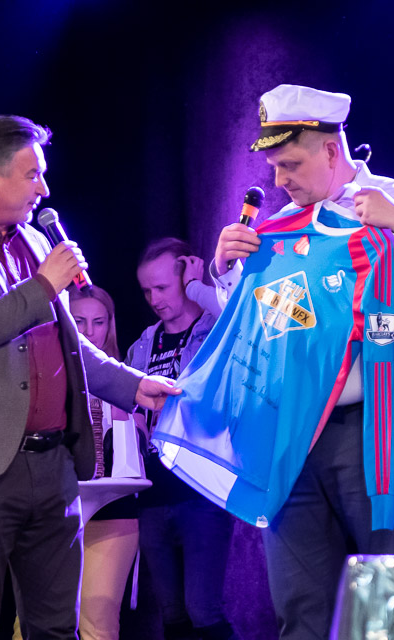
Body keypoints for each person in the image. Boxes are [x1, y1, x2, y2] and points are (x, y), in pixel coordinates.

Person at [211, 84, 394, 639]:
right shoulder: (282, 228)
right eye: (273, 166)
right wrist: (226, 273)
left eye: (290, 164)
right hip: (295, 431)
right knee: (302, 605)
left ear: (332, 150)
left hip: (387, 425)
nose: (279, 180)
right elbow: (266, 326)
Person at [0, 114, 178, 640]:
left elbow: (70, 346)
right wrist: (45, 284)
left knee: (55, 626)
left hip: (53, 465)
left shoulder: (32, 239)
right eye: (32, 175)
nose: (44, 189)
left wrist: (133, 386)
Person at [125, 238, 236, 640]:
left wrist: (197, 288)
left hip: (200, 488)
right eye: (146, 291)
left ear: (186, 274)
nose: (154, 299)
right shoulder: (144, 343)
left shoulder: (214, 328)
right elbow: (125, 404)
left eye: (162, 287)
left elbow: (246, 319)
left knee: (202, 610)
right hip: (153, 492)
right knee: (172, 614)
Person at [70, 285, 143, 640]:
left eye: (98, 322)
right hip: (52, 505)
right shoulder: (42, 377)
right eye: (79, 321)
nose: (89, 331)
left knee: (97, 625)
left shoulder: (130, 378)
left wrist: (136, 421)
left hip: (114, 506)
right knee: (33, 624)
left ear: (110, 324)